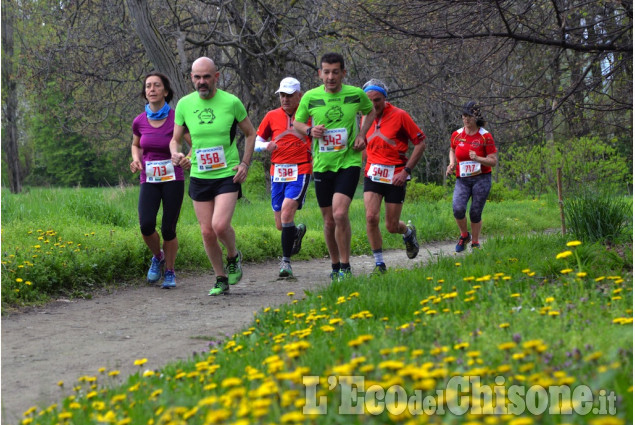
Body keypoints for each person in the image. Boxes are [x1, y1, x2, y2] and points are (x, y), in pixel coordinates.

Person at [170, 57, 256, 296]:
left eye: (206, 77)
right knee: (206, 231)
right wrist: (175, 155)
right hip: (199, 174)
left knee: (219, 226)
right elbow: (175, 139)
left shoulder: (231, 102)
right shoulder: (185, 105)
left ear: (216, 77)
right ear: (191, 78)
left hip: (227, 173)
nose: (202, 82)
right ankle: (220, 278)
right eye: (197, 77)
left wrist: (245, 163)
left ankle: (233, 255)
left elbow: (250, 134)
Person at [293, 52, 375, 282]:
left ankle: (346, 266)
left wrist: (361, 134)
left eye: (335, 72)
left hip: (348, 161)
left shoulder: (356, 95)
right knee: (328, 220)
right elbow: (297, 123)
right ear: (320, 74)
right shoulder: (310, 97)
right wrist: (309, 131)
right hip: (321, 165)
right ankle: (335, 264)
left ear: (343, 73)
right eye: (326, 72)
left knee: (340, 213)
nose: (330, 77)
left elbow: (370, 111)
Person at [130, 72, 191, 289]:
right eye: (148, 86)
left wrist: (187, 159)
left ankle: (171, 271)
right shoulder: (139, 120)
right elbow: (136, 144)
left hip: (173, 178)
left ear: (166, 91)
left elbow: (195, 143)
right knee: (146, 225)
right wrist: (136, 160)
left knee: (168, 228)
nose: (152, 89)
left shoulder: (177, 118)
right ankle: (158, 256)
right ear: (145, 92)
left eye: (157, 86)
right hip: (149, 178)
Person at [361, 79, 426, 274]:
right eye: (369, 100)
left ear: (385, 98)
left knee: (390, 226)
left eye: (377, 100)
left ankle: (407, 232)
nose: (373, 104)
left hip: (395, 175)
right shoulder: (364, 117)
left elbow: (420, 143)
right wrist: (366, 161)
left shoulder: (400, 116)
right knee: (371, 217)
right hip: (372, 174)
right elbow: (363, 142)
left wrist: (406, 171)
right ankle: (379, 264)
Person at [255, 77, 311, 278]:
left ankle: (285, 263)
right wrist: (265, 146)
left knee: (287, 212)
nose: (285, 99)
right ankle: (295, 233)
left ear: (299, 96)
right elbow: (256, 141)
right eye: (282, 95)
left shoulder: (308, 116)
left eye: (289, 95)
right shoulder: (271, 116)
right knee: (280, 224)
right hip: (277, 171)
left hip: (301, 169)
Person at [445, 101, 498, 252]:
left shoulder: (485, 136)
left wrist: (479, 159)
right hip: (462, 179)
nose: (466, 119)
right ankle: (464, 235)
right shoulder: (457, 134)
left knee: (475, 211)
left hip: (481, 178)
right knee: (458, 208)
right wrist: (452, 163)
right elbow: (452, 149)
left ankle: (475, 242)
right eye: (464, 115)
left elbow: (493, 161)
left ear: (476, 117)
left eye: (469, 116)